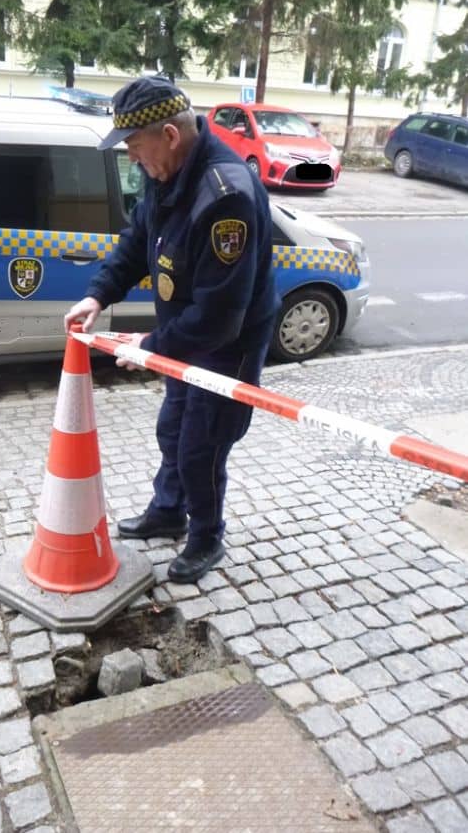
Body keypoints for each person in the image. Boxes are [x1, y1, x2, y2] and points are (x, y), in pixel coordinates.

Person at [64, 76, 279, 584]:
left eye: (137, 149)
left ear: (170, 134)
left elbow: (221, 314)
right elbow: (136, 242)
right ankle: (168, 511)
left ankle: (206, 535)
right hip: (187, 335)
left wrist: (151, 346)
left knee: (201, 444)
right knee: (173, 429)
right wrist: (99, 293)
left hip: (228, 343)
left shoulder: (225, 197)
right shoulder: (164, 177)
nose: (135, 161)